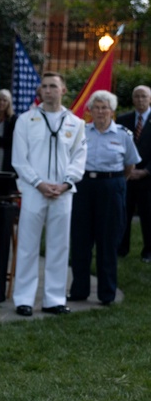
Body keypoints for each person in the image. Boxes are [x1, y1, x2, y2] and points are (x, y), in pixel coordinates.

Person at [11, 72, 87, 317]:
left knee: (59, 245)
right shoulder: (25, 120)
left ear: (63, 90)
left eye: (53, 86)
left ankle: (54, 299)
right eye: (44, 86)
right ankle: (23, 299)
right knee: (27, 246)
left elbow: (79, 158)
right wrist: (39, 183)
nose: (48, 90)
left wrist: (66, 183)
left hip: (63, 193)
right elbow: (19, 160)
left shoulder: (76, 123)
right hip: (34, 191)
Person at [68, 91, 139, 306]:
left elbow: (130, 166)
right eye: (96, 107)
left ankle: (107, 293)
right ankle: (79, 290)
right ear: (90, 111)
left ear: (112, 111)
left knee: (107, 241)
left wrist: (113, 182)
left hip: (111, 187)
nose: (100, 111)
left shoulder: (123, 134)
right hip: (84, 186)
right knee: (80, 240)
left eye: (104, 107)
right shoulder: (81, 132)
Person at [117, 85, 151, 261]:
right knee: (123, 213)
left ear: (150, 99)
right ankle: (121, 248)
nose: (140, 100)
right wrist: (127, 169)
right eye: (137, 96)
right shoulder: (123, 120)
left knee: (148, 216)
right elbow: (116, 146)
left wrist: (146, 171)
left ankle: (148, 251)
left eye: (144, 96)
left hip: (148, 178)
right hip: (127, 176)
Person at [0, 89, 18, 173]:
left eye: (4, 100)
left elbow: (11, 140)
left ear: (9, 103)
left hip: (6, 156)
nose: (1, 103)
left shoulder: (13, 120)